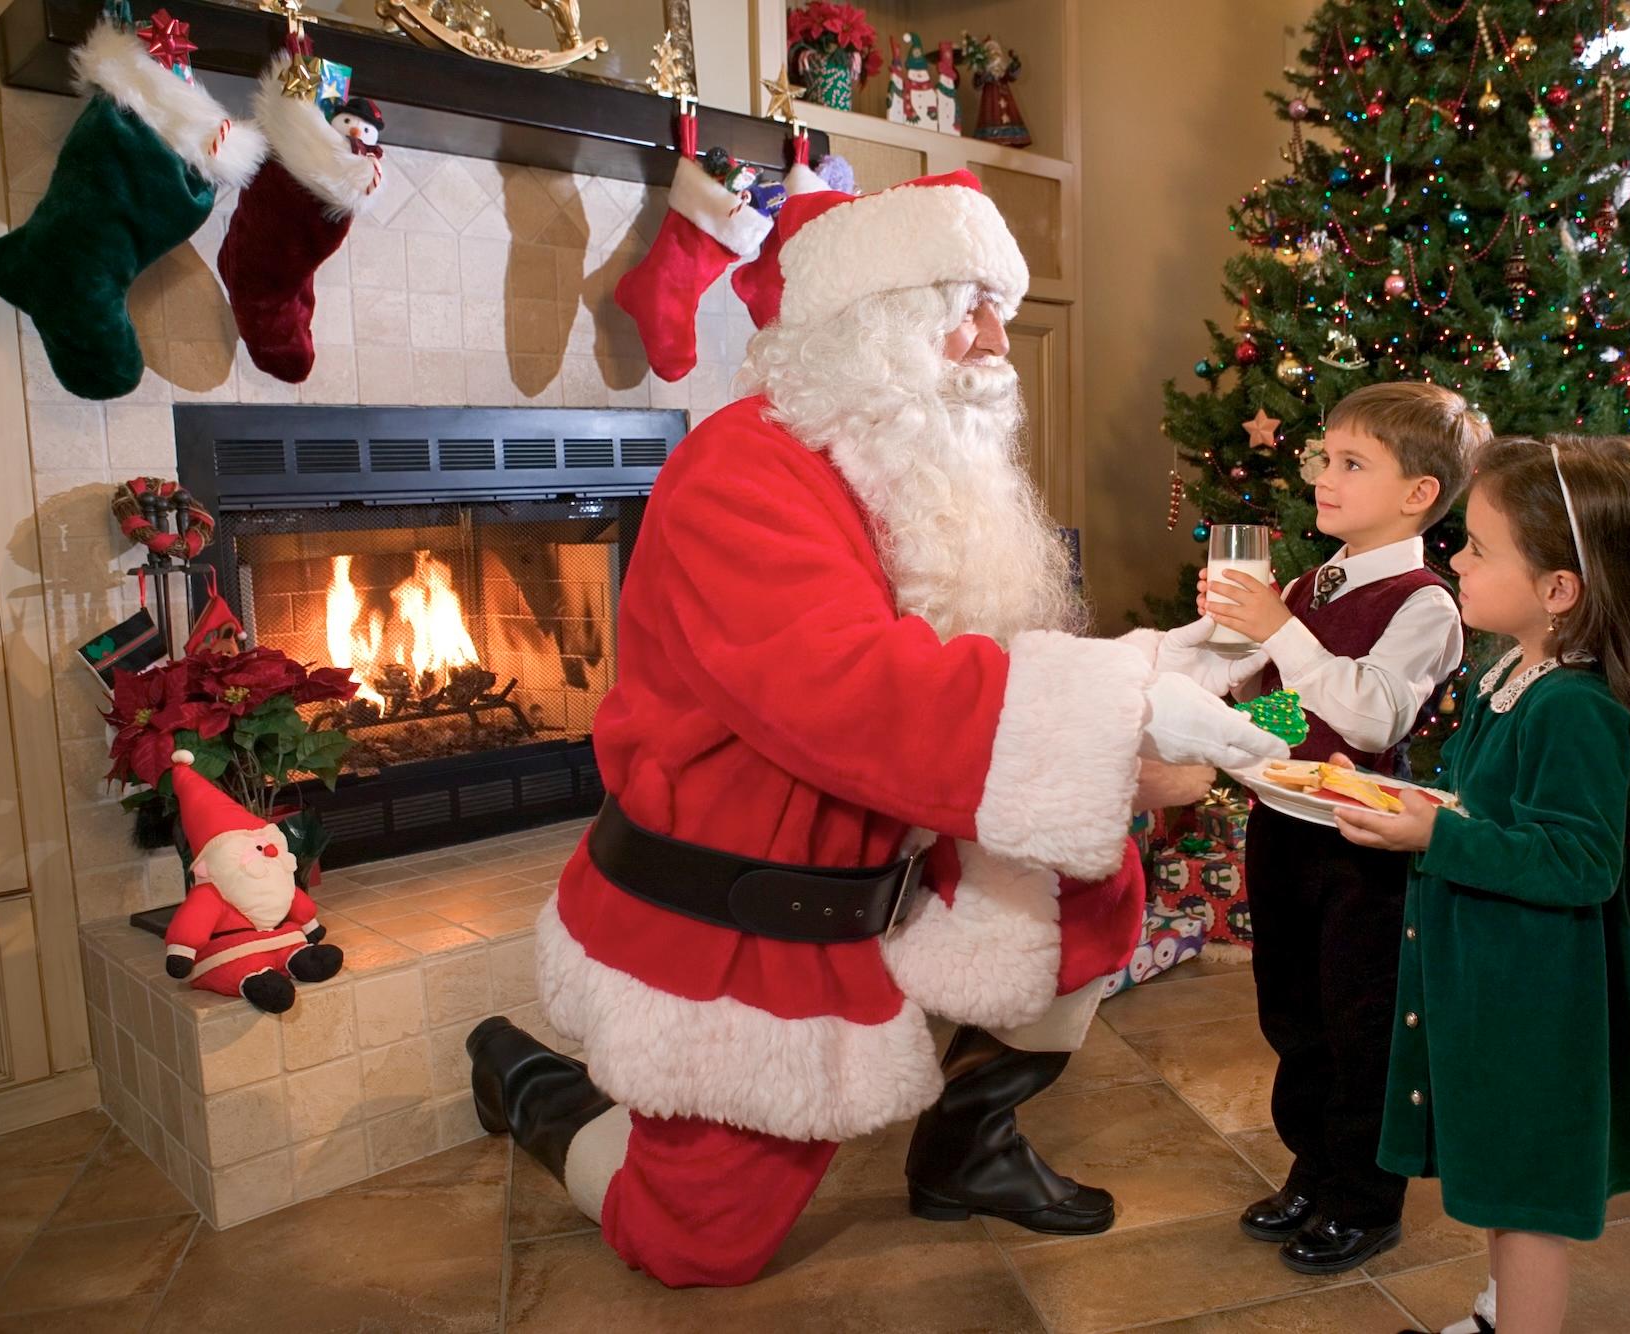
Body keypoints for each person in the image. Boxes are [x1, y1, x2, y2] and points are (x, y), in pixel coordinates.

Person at [465, 170, 1287, 1288]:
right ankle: (535, 1089)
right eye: (965, 300)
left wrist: (1145, 672)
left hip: (898, 828)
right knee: (693, 1241)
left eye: (1000, 299)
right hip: (752, 884)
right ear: (866, 322)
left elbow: (980, 668)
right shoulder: (739, 470)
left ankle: (966, 1148)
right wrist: (1123, 706)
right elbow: (847, 686)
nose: (998, 335)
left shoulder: (920, 460)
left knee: (1084, 894)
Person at [1334, 435, 1630, 1334]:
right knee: (1498, 1164)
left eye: (1480, 548)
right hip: (1496, 974)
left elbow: (1578, 860)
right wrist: (1421, 802)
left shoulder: (1574, 706)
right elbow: (1492, 804)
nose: (1457, 558)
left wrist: (1434, 831)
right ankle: (1501, 1311)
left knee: (1528, 1191)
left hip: (1542, 993)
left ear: (1559, 590)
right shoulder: (1512, 672)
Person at [1200, 382, 1487, 1274]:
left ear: (1419, 496)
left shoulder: (1426, 602)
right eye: (1325, 458)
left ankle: (1363, 1197)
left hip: (1361, 846)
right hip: (1281, 825)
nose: (1325, 477)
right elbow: (1299, 715)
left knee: (1359, 1022)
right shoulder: (1302, 585)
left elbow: (1370, 719)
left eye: (1352, 464)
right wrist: (1242, 698)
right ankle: (1312, 1168)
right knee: (1292, 1013)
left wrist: (1282, 628)